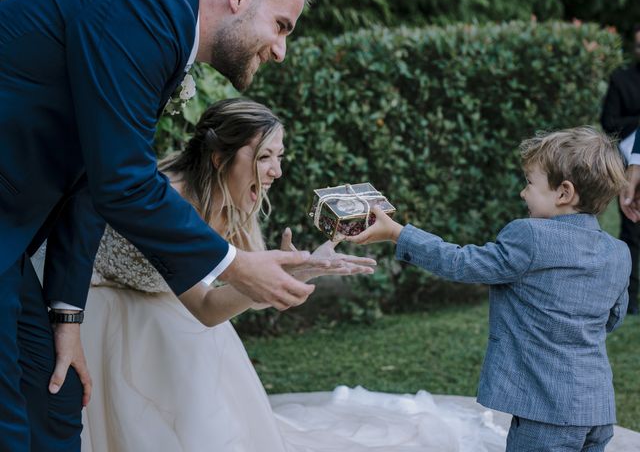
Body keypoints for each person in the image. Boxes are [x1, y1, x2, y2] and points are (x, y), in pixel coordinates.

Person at [79, 98, 506, 452]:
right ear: (218, 157)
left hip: (164, 304)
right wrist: (274, 276)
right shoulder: (169, 202)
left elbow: (236, 293)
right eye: (264, 157)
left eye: (279, 157)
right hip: (93, 301)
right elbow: (208, 308)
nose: (276, 171)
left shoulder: (234, 200)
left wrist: (297, 270)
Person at [0, 0, 314, 450]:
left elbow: (92, 185)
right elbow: (124, 181)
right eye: (281, 26)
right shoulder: (146, 10)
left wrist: (66, 320)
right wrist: (233, 262)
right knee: (11, 418)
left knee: (56, 401)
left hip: (12, 237)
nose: (280, 50)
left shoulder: (161, 31)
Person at [349, 127, 630, 452]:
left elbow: (462, 263)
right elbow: (612, 318)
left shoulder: (531, 237)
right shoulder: (618, 252)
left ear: (563, 193)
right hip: (596, 409)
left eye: (529, 183)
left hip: (545, 409)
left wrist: (399, 234)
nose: (523, 193)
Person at [602, 24, 640, 314]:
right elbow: (609, 121)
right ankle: (631, 295)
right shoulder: (621, 79)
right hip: (631, 158)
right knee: (632, 229)